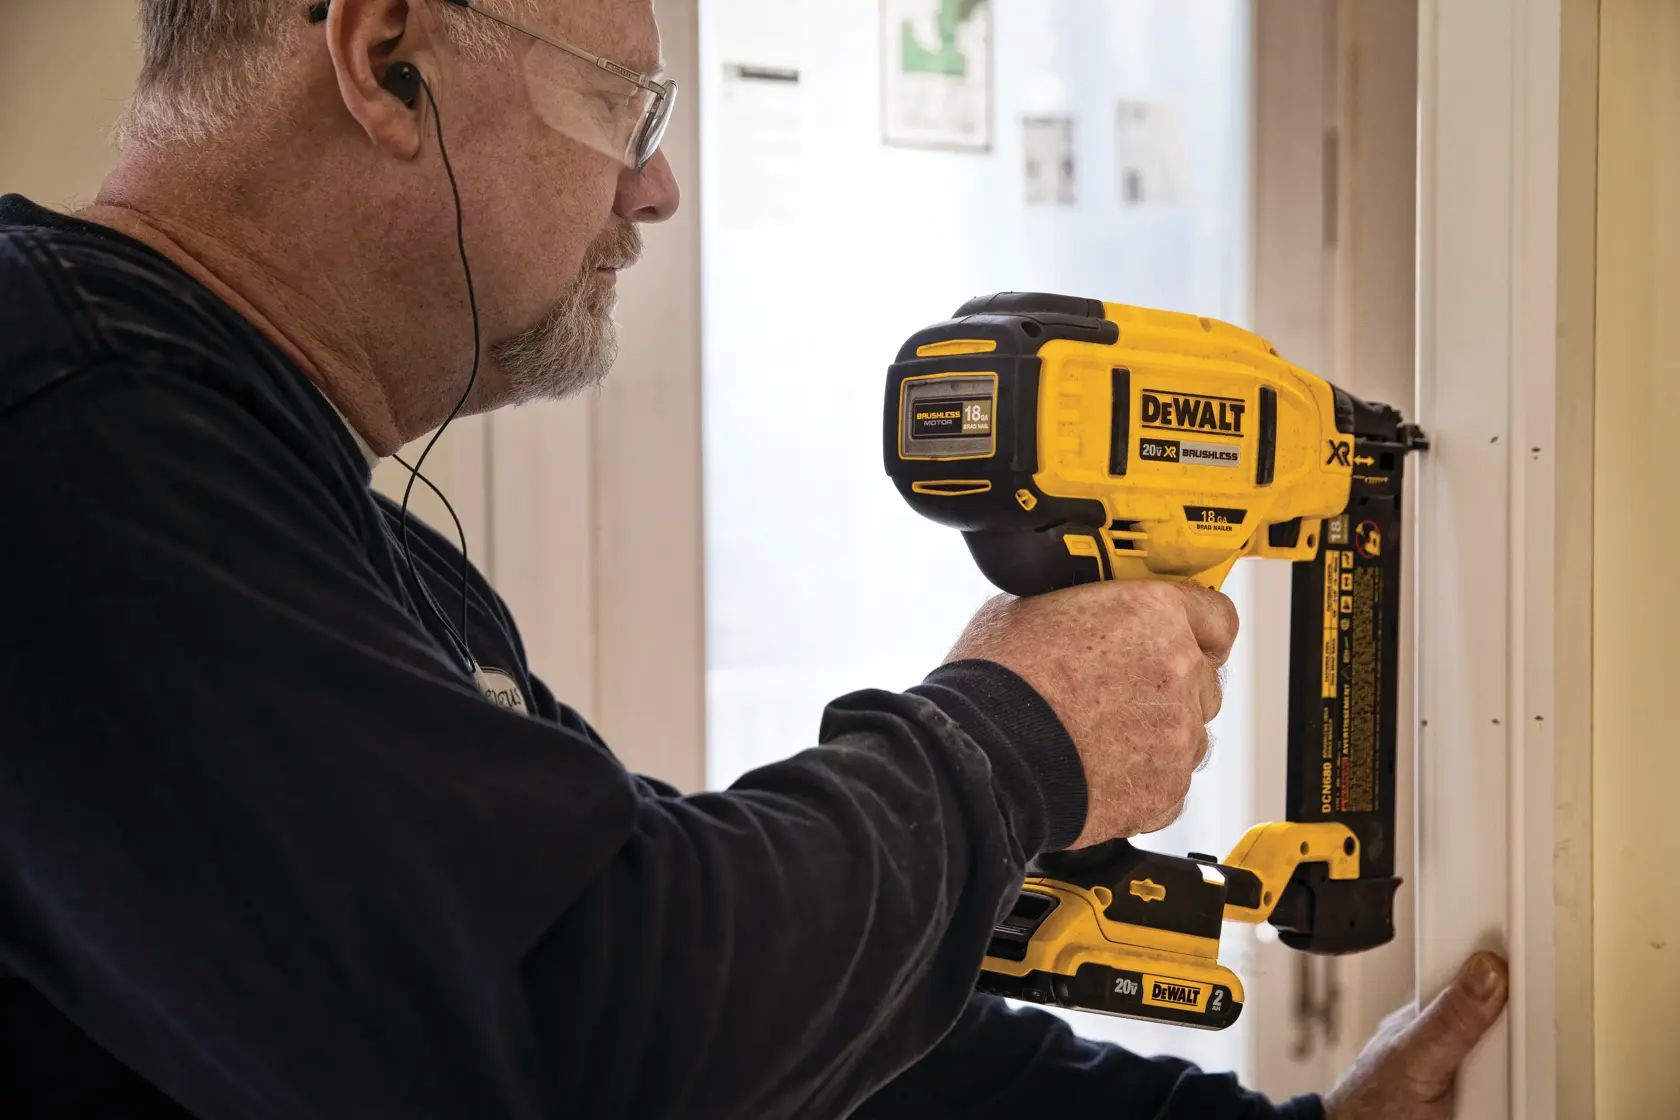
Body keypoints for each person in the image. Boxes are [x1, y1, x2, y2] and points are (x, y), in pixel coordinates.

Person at [0, 1, 1507, 1117]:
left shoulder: (332, 533)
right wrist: (1014, 740)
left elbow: (731, 1002)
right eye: (624, 108)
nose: (653, 188)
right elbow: (591, 1039)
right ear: (387, 55)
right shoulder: (77, 433)